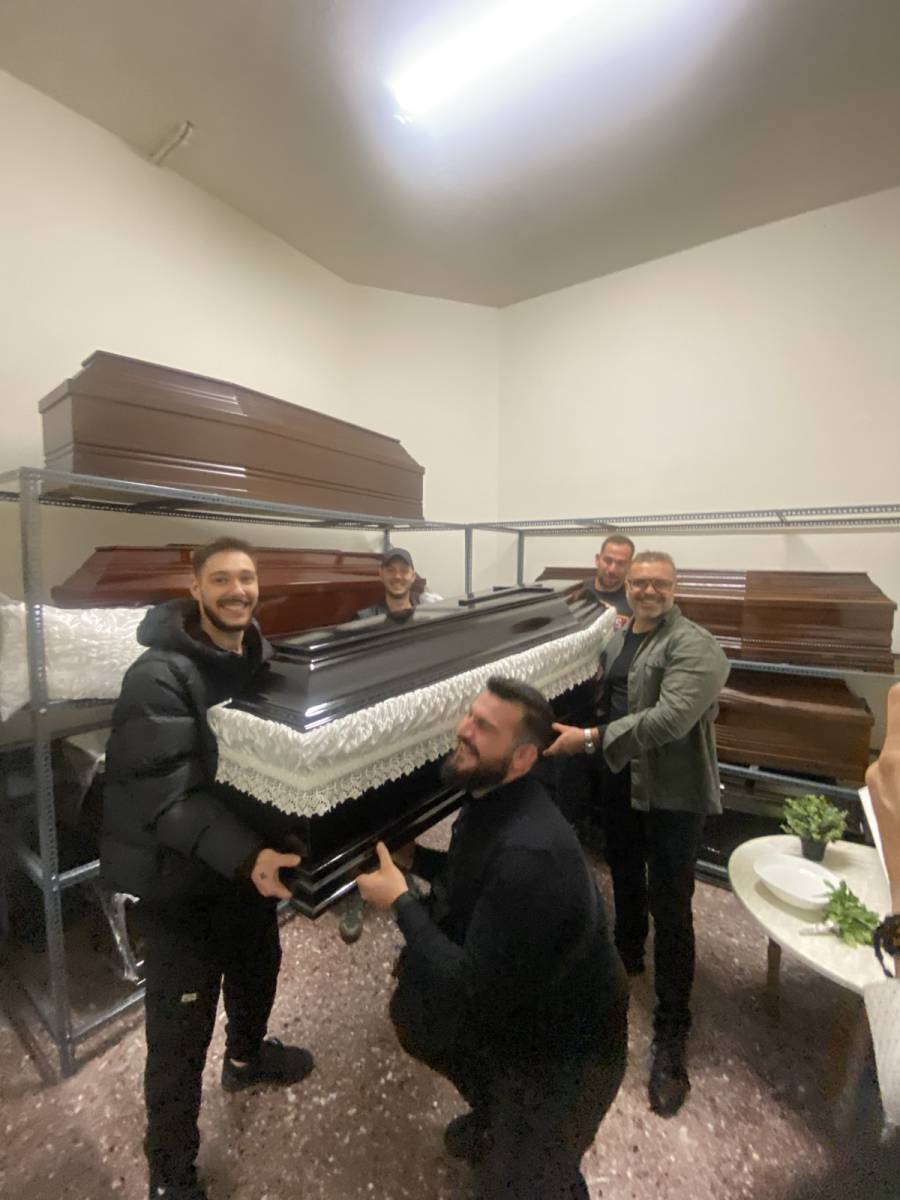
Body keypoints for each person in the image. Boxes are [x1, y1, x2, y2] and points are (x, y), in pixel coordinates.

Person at [356, 676, 628, 1200]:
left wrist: (401, 901)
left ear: (523, 758)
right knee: (418, 1014)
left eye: (484, 727)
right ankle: (498, 1115)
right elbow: (472, 878)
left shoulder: (531, 853)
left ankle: (539, 1158)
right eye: (470, 715)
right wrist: (416, 859)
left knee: (526, 1183)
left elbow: (472, 985)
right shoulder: (490, 797)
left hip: (568, 1054)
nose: (463, 730)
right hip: (522, 1007)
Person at [101, 537, 315, 1200]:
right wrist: (249, 855)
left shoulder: (260, 660)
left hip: (245, 870)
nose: (237, 590)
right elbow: (168, 799)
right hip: (180, 883)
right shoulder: (157, 677)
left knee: (258, 968)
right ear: (196, 590)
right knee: (180, 1031)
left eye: (246, 577)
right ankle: (170, 1170)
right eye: (221, 579)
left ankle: (246, 1058)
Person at [546, 550, 729, 1118]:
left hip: (672, 793)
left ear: (676, 586)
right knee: (624, 872)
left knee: (671, 903)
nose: (648, 591)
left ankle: (672, 1032)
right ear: (626, 585)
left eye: (659, 583)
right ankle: (627, 958)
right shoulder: (618, 634)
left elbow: (671, 719)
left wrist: (590, 740)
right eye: (639, 582)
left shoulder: (696, 645)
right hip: (622, 780)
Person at [354, 546, 420, 620]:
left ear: (413, 576)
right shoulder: (365, 619)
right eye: (390, 570)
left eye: (404, 570)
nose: (397, 576)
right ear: (381, 574)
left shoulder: (426, 613)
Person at [584, 534, 635, 620]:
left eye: (621, 563)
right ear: (597, 559)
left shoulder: (635, 601)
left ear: (630, 565)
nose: (612, 570)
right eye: (608, 561)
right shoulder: (577, 593)